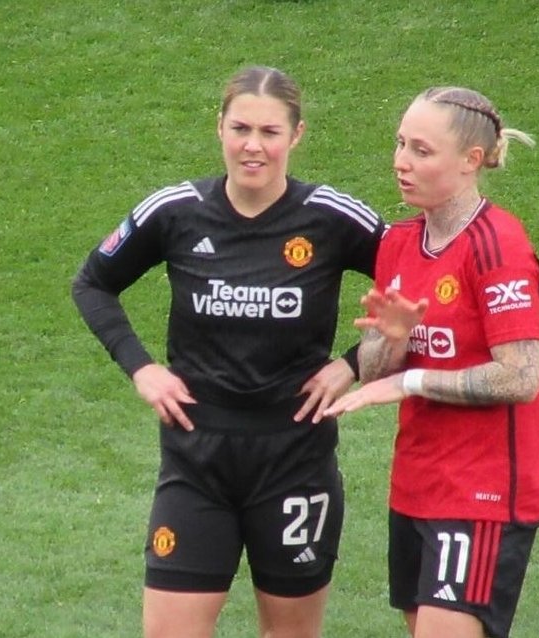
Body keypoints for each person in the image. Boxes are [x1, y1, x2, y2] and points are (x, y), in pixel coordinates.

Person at [71, 65, 384, 638]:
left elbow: (420, 292)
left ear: (297, 135)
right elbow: (93, 283)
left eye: (269, 132)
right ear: (219, 128)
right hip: (196, 461)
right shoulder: (175, 211)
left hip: (295, 461)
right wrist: (141, 370)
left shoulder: (334, 218)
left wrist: (352, 364)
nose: (253, 146)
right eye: (241, 128)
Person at [325, 86, 539, 638]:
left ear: (470, 161)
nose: (400, 162)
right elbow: (380, 371)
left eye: (422, 151)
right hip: (416, 482)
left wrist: (413, 379)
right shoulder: (399, 243)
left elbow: (520, 377)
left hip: (485, 491)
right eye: (401, 144)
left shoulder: (498, 245)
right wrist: (397, 340)